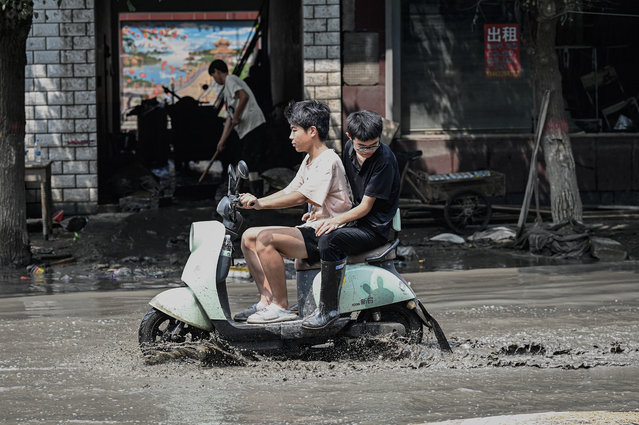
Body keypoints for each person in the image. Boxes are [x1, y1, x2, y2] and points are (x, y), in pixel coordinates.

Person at [235, 100, 353, 324]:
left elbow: (301, 196)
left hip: (329, 233)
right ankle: (266, 301)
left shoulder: (328, 160)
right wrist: (256, 200)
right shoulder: (309, 160)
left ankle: (281, 306)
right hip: (314, 228)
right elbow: (291, 189)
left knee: (265, 239)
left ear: (312, 131)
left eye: (294, 130)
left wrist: (260, 205)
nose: (291, 136)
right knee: (249, 237)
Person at [301, 109, 401, 330]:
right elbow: (339, 187)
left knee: (330, 240)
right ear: (349, 137)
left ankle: (329, 310)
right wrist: (319, 210)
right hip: (354, 221)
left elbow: (365, 207)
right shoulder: (347, 150)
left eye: (373, 145)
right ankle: (304, 305)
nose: (367, 151)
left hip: (375, 229)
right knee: (306, 236)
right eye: (361, 146)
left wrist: (336, 221)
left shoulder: (384, 160)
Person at [209, 59, 267, 195]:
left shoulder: (230, 79)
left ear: (217, 71)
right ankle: (252, 193)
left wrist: (237, 115)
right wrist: (221, 142)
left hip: (253, 124)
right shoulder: (228, 91)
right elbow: (229, 118)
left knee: (249, 160)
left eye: (213, 76)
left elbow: (244, 96)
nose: (214, 79)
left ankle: (253, 194)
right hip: (247, 129)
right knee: (248, 160)